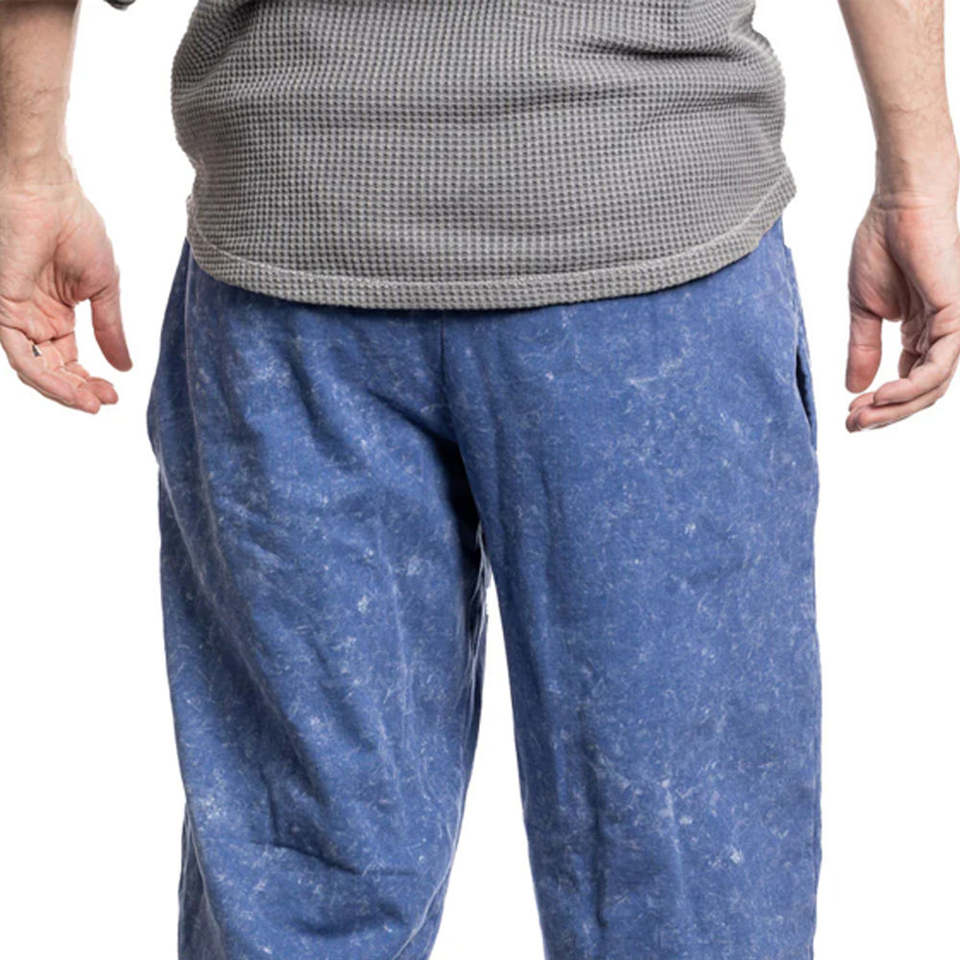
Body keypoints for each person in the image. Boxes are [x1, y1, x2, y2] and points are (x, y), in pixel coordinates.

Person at [0, 1, 956, 958]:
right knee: (686, 889)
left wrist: (28, 170)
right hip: (622, 228)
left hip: (326, 237)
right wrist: (918, 178)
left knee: (303, 900)